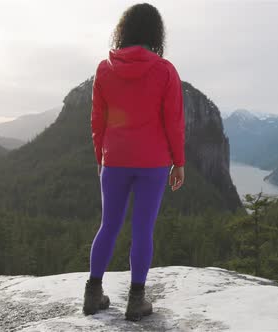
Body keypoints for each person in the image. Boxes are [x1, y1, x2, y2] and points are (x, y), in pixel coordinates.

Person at [82, 3, 185, 322]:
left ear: (122, 31)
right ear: (155, 33)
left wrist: (101, 156)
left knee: (108, 226)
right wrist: (178, 162)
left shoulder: (104, 69)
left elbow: (98, 120)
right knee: (143, 229)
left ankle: (92, 293)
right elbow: (174, 121)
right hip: (153, 163)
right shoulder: (165, 71)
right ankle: (136, 301)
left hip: (114, 161)